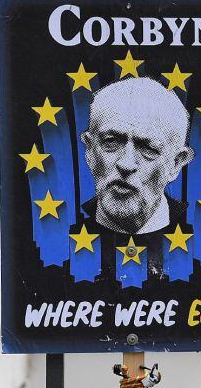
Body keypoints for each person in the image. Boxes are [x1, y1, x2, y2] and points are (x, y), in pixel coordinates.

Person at [78, 77, 194, 284]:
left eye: (148, 148)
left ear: (176, 164)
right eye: (111, 142)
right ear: (89, 150)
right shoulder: (62, 239)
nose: (126, 164)